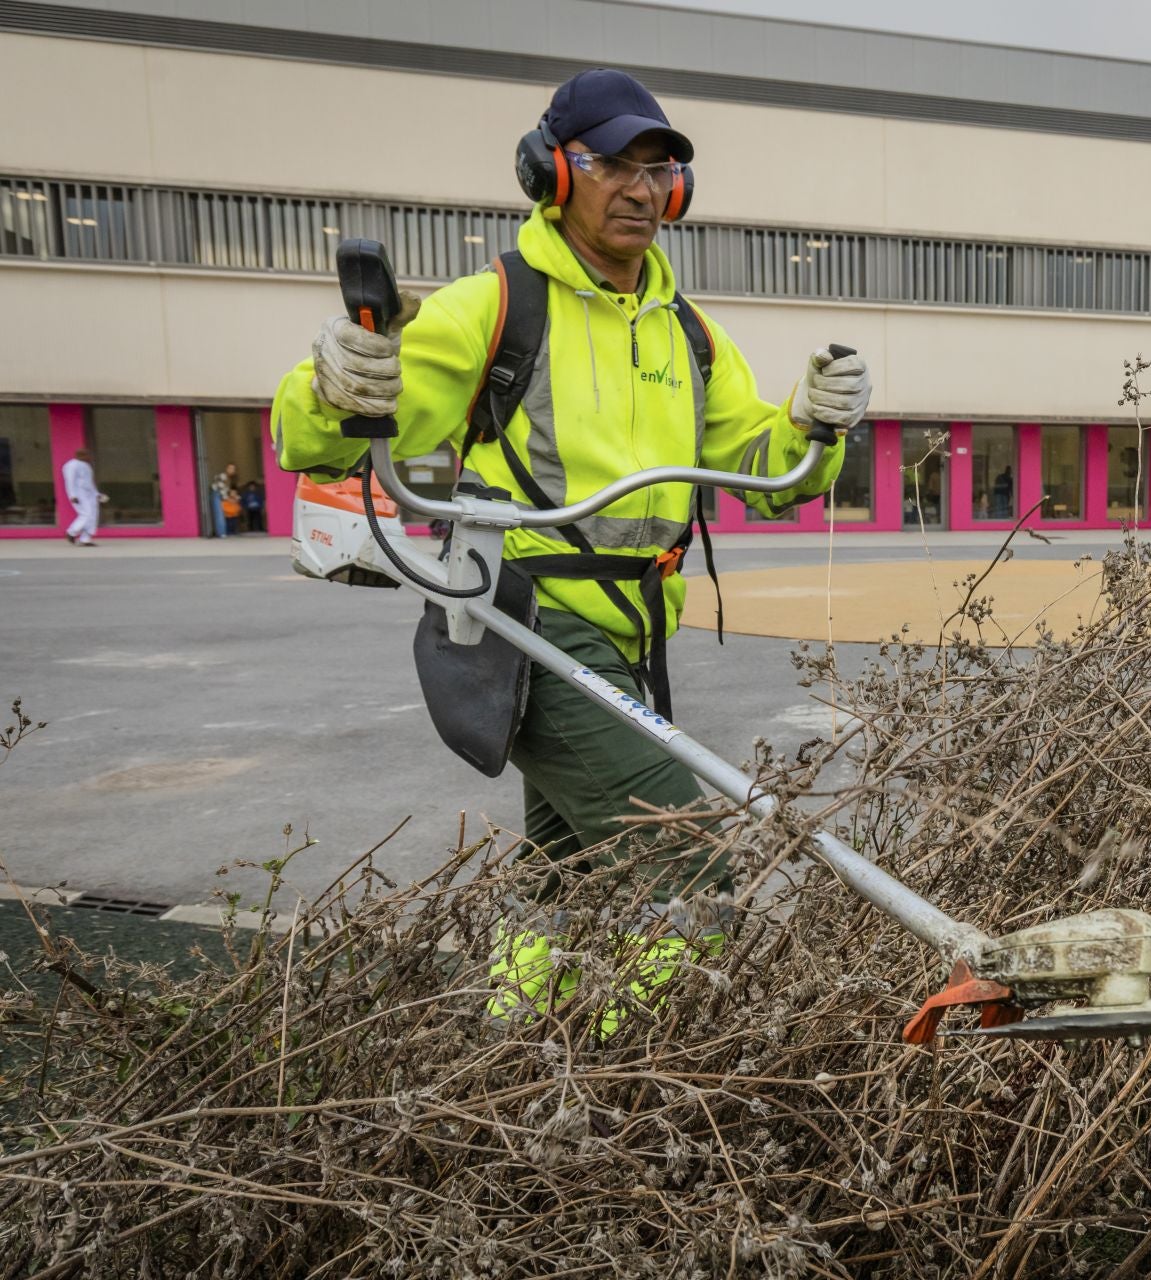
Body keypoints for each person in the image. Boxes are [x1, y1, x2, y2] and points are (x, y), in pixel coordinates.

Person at [271, 68, 870, 1025]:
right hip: (527, 629)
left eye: (659, 166)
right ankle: (649, 1066)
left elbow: (770, 476)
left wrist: (813, 427)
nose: (640, 188)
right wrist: (334, 382)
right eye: (611, 164)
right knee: (688, 866)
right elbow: (324, 437)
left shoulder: (688, 335)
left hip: (634, 639)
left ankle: (509, 1051)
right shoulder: (494, 307)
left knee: (563, 883)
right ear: (553, 173)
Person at [61, 449, 104, 546]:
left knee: (93, 515)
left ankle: (85, 539)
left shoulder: (87, 466)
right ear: (81, 455)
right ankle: (71, 532)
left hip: (90, 494)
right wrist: (73, 495)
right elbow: (69, 481)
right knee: (86, 513)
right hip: (79, 493)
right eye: (87, 455)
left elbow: (89, 482)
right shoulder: (71, 465)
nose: (89, 457)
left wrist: (97, 494)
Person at [209, 462, 241, 538]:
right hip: (216, 494)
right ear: (226, 469)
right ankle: (221, 533)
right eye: (230, 468)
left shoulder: (230, 479)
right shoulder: (223, 476)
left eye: (233, 469)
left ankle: (222, 532)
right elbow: (221, 490)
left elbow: (227, 491)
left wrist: (234, 498)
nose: (231, 470)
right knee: (219, 514)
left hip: (220, 495)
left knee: (221, 514)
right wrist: (229, 499)